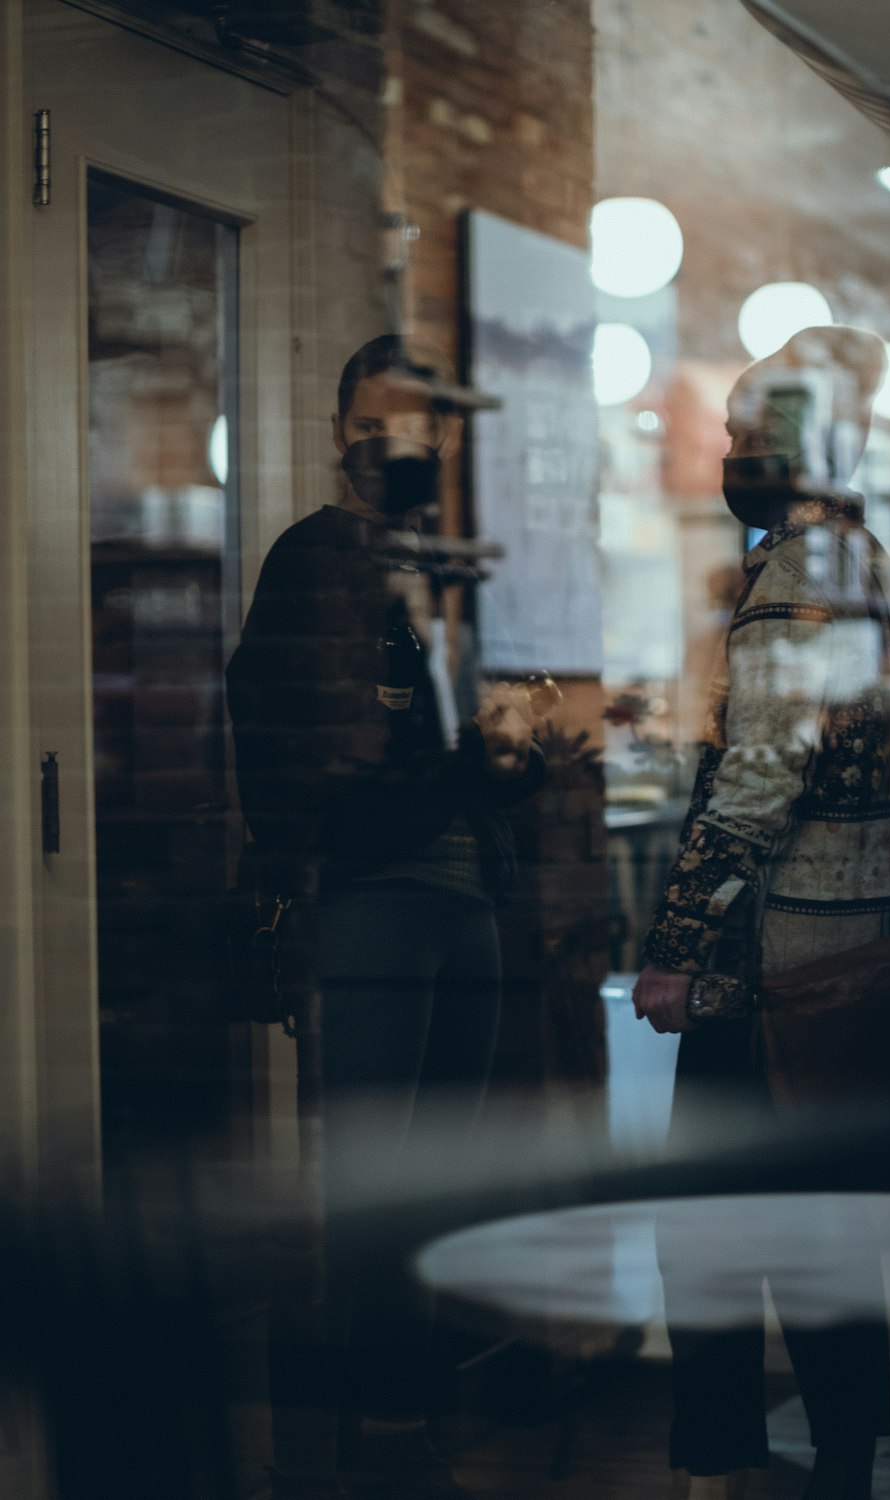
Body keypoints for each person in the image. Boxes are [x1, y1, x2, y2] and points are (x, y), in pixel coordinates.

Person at [632, 325, 890, 1500]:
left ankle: (722, 1453)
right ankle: (843, 1455)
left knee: (707, 1222)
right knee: (829, 1227)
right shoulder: (875, 564)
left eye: (738, 429)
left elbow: (756, 785)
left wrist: (672, 951)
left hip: (769, 962)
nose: (723, 447)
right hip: (868, 950)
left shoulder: (790, 583)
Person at [226, 334, 545, 1500]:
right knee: (373, 1189)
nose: (391, 441)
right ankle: (369, 1449)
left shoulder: (446, 567)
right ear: (337, 431)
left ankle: (401, 1434)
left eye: (415, 423)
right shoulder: (314, 560)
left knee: (432, 1191)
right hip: (370, 906)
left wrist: (510, 752)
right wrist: (463, 759)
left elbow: (480, 756)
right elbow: (301, 761)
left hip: (465, 902)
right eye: (370, 420)